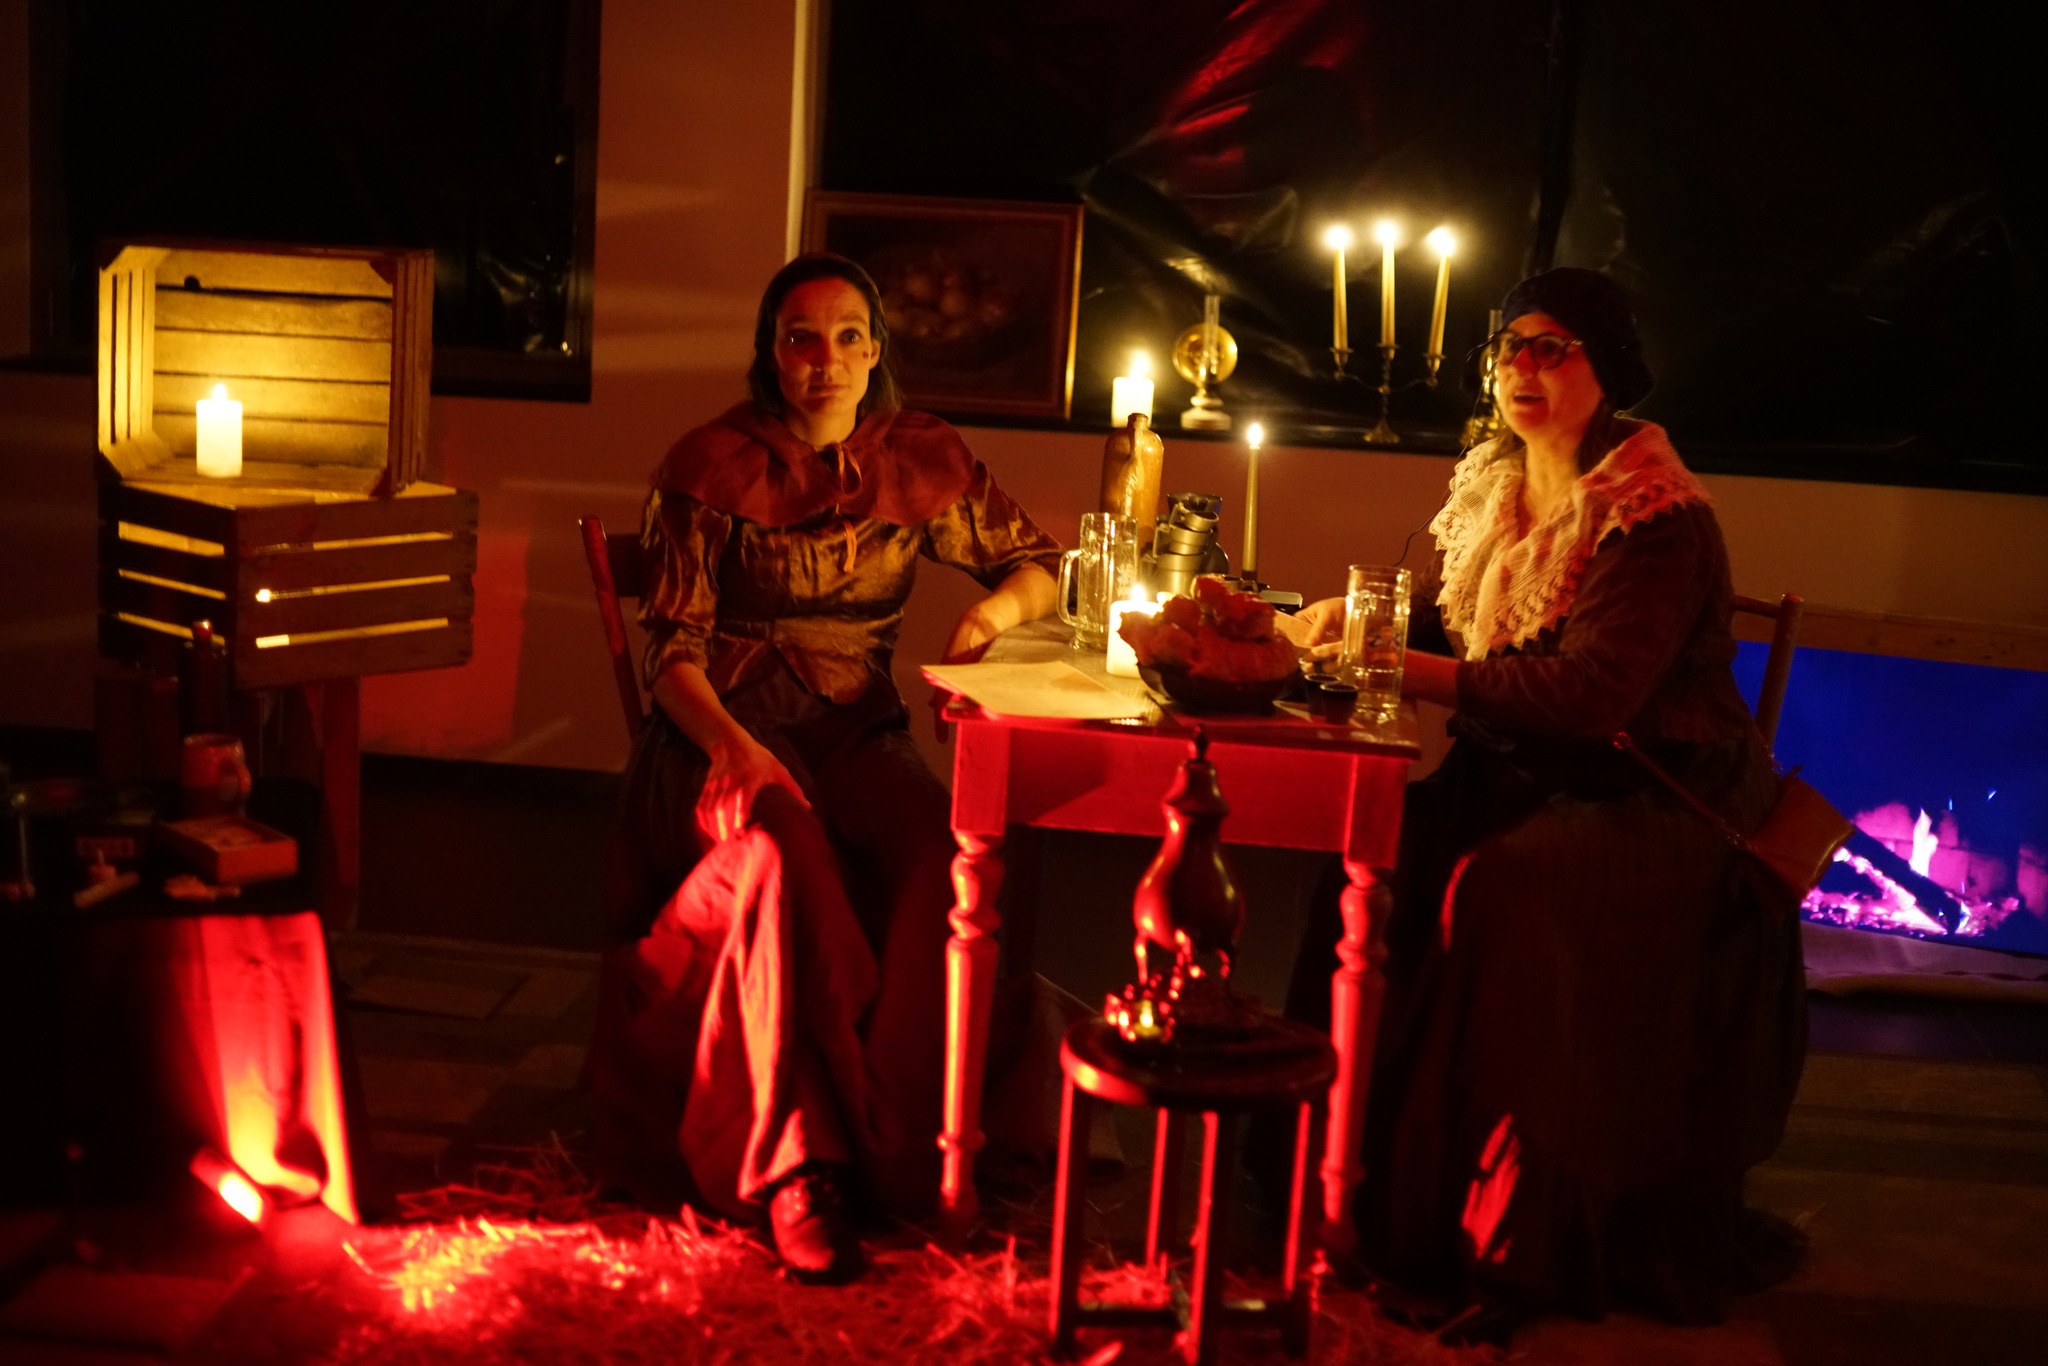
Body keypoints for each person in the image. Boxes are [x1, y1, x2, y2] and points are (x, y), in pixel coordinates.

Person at [1284, 268, 1806, 1337]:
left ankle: (1501, 1243)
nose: (1522, 367)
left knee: (1496, 888)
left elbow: (1587, 694)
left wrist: (1400, 665)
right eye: (1509, 346)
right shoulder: (1495, 483)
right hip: (1518, 775)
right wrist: (1347, 617)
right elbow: (1453, 623)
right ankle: (1336, 1186)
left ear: (1604, 368)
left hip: (1651, 804)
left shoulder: (1653, 515)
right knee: (1363, 855)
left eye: (1551, 347)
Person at [588, 254, 1061, 1283]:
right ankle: (801, 1164)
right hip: (717, 732)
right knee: (785, 863)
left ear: (877, 350)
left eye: (849, 336)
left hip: (855, 730)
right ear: (770, 351)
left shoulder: (917, 454)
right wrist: (736, 750)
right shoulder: (707, 462)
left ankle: (909, 1145)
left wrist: (986, 611)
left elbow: (1039, 563)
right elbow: (671, 652)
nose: (826, 360)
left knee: (947, 861)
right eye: (802, 337)